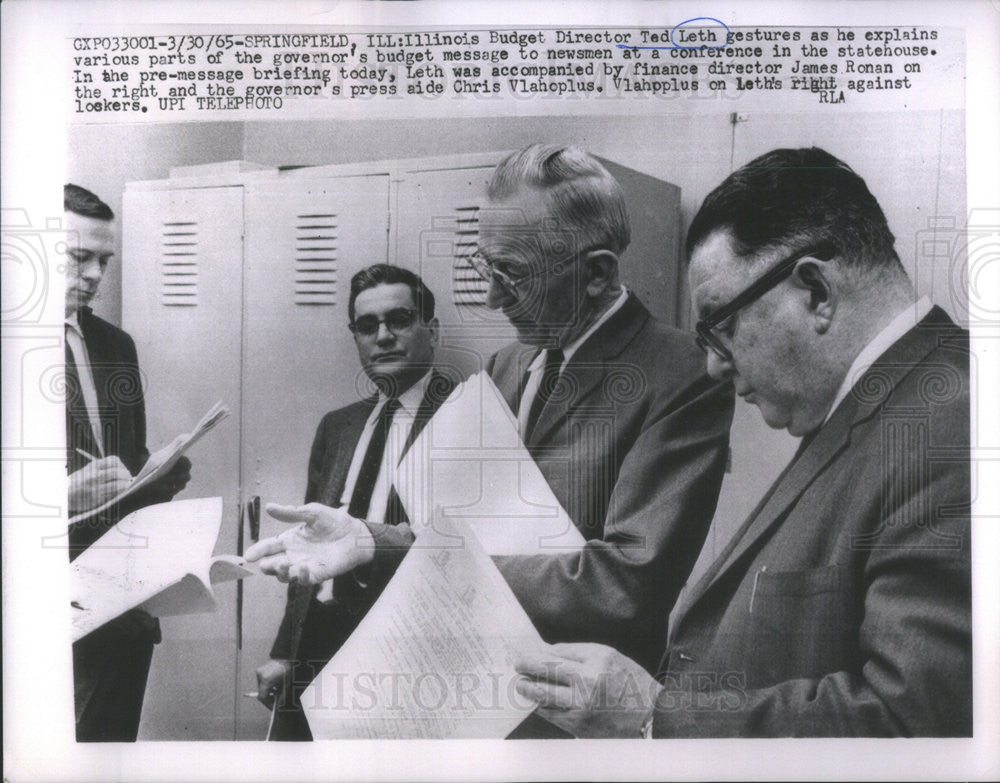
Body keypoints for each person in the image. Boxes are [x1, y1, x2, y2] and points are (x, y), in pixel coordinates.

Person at [248, 145, 735, 736]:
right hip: (464, 702)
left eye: (515, 275)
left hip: (570, 721)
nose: (492, 297)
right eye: (487, 267)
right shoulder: (508, 364)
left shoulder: (681, 372)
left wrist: (421, 557)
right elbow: (459, 530)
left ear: (598, 273)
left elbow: (627, 583)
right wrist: (371, 540)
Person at [512, 147, 972, 737]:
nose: (712, 367)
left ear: (816, 292)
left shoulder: (952, 419)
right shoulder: (882, 405)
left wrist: (653, 715)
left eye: (720, 327)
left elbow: (914, 724)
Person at [254, 264, 457, 740]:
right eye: (368, 326)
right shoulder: (339, 426)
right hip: (321, 639)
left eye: (399, 320)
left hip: (406, 645)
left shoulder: (467, 416)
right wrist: (286, 650)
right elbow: (307, 545)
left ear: (432, 329)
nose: (383, 336)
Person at [64, 183, 192, 741]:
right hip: (41, 611)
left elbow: (127, 459)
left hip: (123, 604)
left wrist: (158, 475)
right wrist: (62, 498)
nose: (95, 274)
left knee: (111, 753)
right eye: (79, 257)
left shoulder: (117, 344)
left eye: (104, 260)